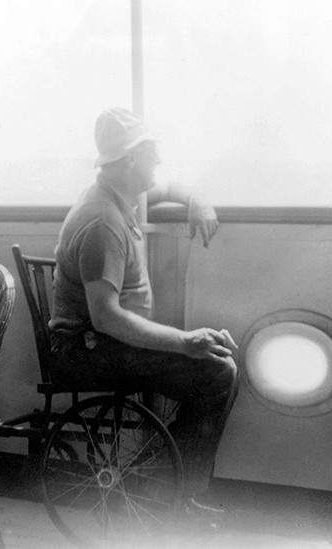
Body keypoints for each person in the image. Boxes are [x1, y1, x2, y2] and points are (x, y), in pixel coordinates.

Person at [49, 107, 239, 517]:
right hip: (87, 351)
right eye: (153, 151)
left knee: (219, 367)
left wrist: (195, 198)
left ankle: (164, 488)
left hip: (104, 342)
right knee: (217, 373)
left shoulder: (117, 195)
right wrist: (185, 341)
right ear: (131, 159)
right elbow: (106, 317)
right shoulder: (102, 221)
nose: (159, 159)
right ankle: (167, 495)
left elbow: (167, 183)